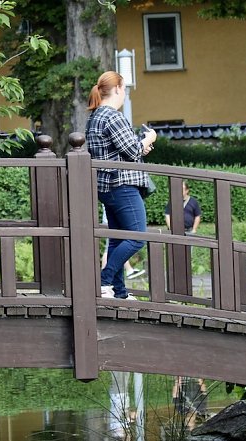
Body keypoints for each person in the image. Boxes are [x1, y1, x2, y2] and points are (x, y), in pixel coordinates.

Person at [85, 71, 157, 299]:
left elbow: (118, 150)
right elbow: (132, 151)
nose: (125, 93)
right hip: (122, 184)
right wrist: (149, 139)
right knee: (137, 237)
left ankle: (119, 292)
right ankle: (103, 281)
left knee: (117, 239)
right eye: (124, 88)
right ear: (116, 89)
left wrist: (138, 146)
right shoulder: (113, 116)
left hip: (107, 187)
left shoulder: (95, 117)